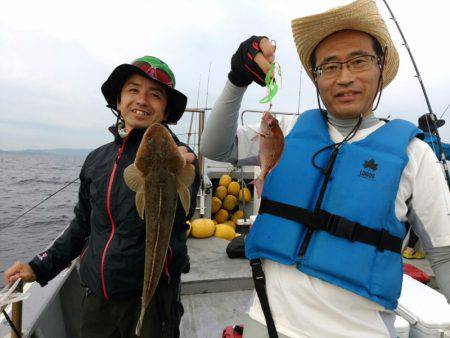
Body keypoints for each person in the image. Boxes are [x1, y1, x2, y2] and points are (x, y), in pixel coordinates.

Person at [201, 1, 450, 337]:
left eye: (359, 61)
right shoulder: (285, 131)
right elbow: (215, 147)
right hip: (267, 323)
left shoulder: (416, 154)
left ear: (382, 65)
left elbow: (444, 256)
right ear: (316, 78)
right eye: (329, 67)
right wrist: (236, 79)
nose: (345, 77)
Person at [4, 56, 200, 337]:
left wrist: (182, 171)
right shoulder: (97, 160)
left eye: (155, 94)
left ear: (166, 110)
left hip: (156, 301)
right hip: (97, 299)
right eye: (133, 90)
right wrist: (39, 266)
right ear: (118, 102)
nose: (142, 100)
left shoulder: (181, 158)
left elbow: (185, 209)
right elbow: (82, 225)